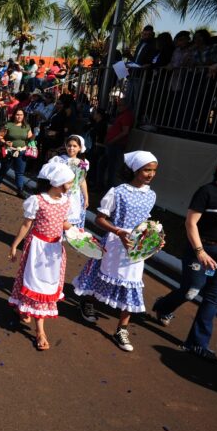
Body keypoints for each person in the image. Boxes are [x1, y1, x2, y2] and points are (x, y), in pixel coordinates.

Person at [74, 151, 159, 352]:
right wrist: (118, 231)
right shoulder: (118, 192)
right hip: (115, 242)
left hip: (136, 247)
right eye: (147, 170)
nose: (151, 174)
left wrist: (154, 240)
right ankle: (87, 302)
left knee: (132, 284)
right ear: (134, 170)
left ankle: (122, 328)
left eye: (154, 170)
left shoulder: (152, 195)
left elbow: (145, 224)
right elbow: (99, 218)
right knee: (102, 278)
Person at [152, 156, 217, 362]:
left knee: (213, 298)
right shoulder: (206, 192)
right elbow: (191, 223)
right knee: (192, 290)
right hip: (201, 248)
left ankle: (197, 344)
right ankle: (164, 306)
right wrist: (200, 251)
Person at [8, 162, 75, 350]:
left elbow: (64, 223)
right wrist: (14, 245)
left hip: (54, 251)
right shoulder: (37, 200)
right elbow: (26, 225)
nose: (71, 186)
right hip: (37, 247)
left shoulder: (66, 202)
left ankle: (28, 312)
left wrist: (80, 236)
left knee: (46, 286)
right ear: (58, 182)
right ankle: (40, 331)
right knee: (33, 282)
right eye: (69, 182)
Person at [49, 135, 89, 228]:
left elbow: (82, 181)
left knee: (72, 223)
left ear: (80, 148)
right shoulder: (59, 160)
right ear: (66, 146)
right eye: (69, 145)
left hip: (75, 195)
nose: (71, 148)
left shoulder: (82, 163)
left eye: (75, 146)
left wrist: (86, 197)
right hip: (61, 193)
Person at [0, 108, 33, 198]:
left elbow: (30, 138)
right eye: (17, 114)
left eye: (21, 115)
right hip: (9, 151)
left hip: (22, 152)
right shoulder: (9, 125)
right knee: (4, 168)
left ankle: (20, 190)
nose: (19, 117)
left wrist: (33, 139)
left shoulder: (26, 126)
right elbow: (0, 136)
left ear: (24, 116)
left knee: (20, 172)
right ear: (14, 115)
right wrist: (5, 142)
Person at [99, 100, 135, 191]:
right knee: (106, 165)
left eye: (121, 105)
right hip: (113, 145)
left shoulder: (127, 116)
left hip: (116, 145)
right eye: (118, 105)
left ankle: (110, 188)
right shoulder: (121, 115)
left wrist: (112, 141)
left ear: (126, 106)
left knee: (112, 168)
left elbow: (125, 132)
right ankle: (105, 186)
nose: (118, 107)